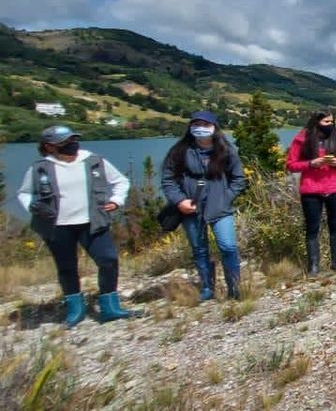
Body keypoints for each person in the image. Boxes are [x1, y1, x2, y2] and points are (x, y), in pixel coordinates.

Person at [17, 125, 137, 326]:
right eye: (64, 142)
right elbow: (24, 192)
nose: (71, 144)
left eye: (73, 139)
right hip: (57, 226)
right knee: (66, 267)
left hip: (92, 222)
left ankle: (110, 306)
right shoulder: (40, 168)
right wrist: (31, 205)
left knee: (108, 260)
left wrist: (117, 200)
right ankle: (75, 309)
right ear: (49, 146)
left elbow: (121, 181)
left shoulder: (93, 161)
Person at [161, 111, 248, 301]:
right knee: (199, 249)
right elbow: (168, 181)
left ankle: (234, 286)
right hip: (190, 210)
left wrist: (226, 197)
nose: (200, 128)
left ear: (214, 127)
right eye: (196, 124)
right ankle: (208, 287)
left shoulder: (226, 150)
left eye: (205, 125)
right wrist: (179, 201)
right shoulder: (179, 151)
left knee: (228, 246)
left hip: (220, 208)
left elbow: (239, 179)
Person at [286, 110, 336, 276]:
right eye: (326, 122)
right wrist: (311, 164)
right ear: (316, 122)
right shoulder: (302, 139)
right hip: (311, 190)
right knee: (312, 228)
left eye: (332, 122)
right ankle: (313, 266)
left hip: (335, 188)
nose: (330, 125)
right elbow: (291, 164)